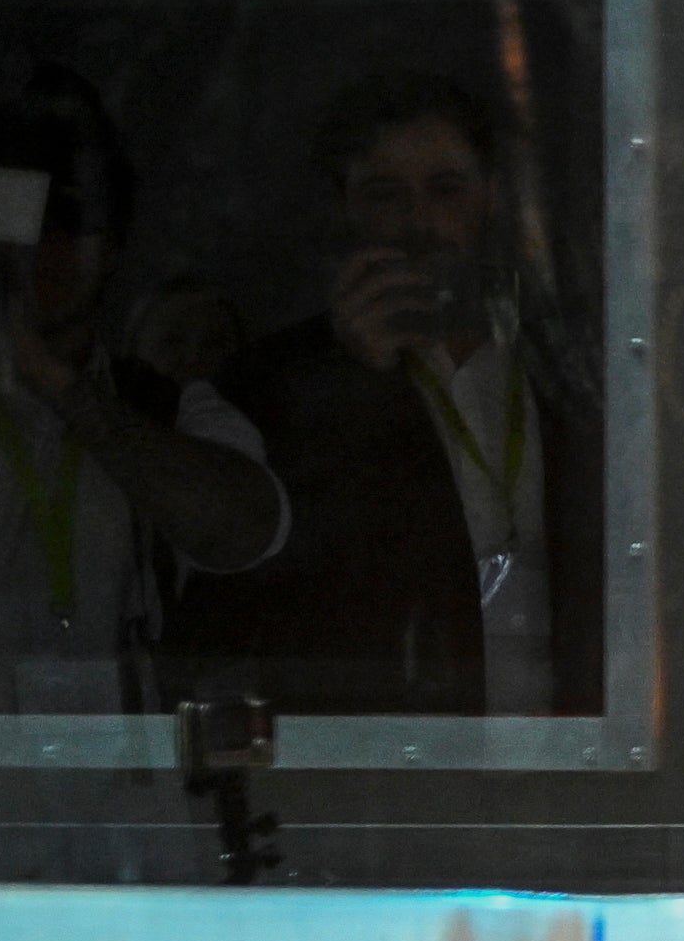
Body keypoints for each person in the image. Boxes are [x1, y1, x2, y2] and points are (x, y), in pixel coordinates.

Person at [196, 68, 598, 720]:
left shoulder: (564, 365)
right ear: (342, 206)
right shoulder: (276, 383)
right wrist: (355, 381)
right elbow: (268, 587)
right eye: (385, 195)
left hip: (565, 757)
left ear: (491, 196)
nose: (419, 223)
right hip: (395, 772)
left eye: (446, 189)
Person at [0, 69, 290, 716]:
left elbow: (248, 531)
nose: (51, 247)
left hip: (126, 803)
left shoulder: (160, 402)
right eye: (28, 217)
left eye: (75, 218)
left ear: (116, 238)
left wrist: (52, 379)